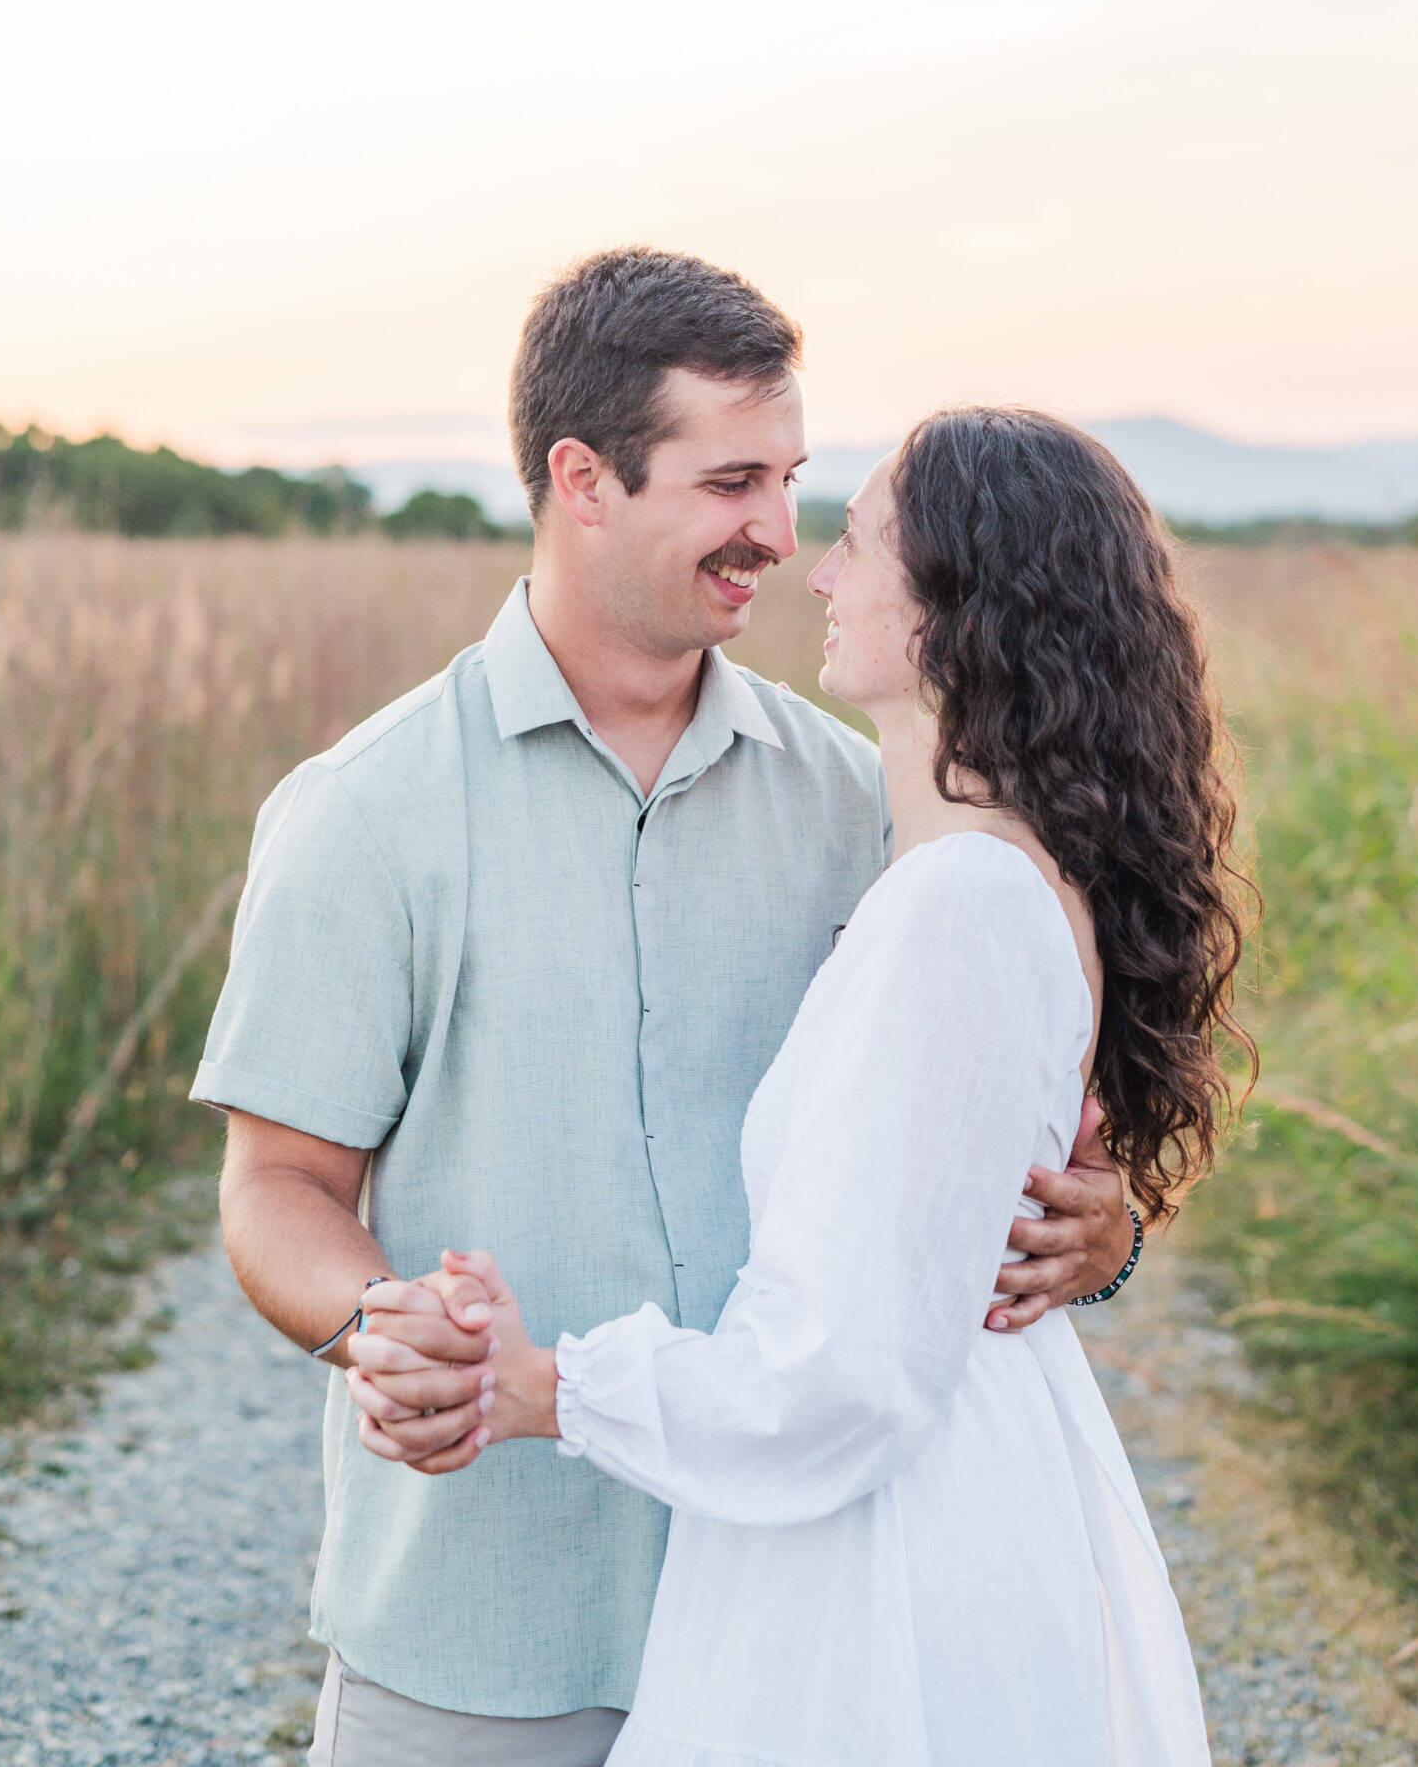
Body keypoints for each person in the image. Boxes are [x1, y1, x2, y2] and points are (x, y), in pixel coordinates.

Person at [193, 250, 1135, 1767]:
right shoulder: (362, 814)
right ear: (583, 478)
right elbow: (278, 1185)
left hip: (798, 1617)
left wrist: (1098, 1231)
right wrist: (384, 1323)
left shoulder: (869, 810)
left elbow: (964, 1120)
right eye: (732, 480)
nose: (779, 531)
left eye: (793, 478)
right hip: (482, 1623)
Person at [350, 407, 1250, 1767]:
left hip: (892, 1543)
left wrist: (544, 1389)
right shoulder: (948, 865)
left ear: (963, 601)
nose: (813, 572)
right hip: (912, 1487)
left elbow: (833, 1379)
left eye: (855, 537)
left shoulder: (955, 901)